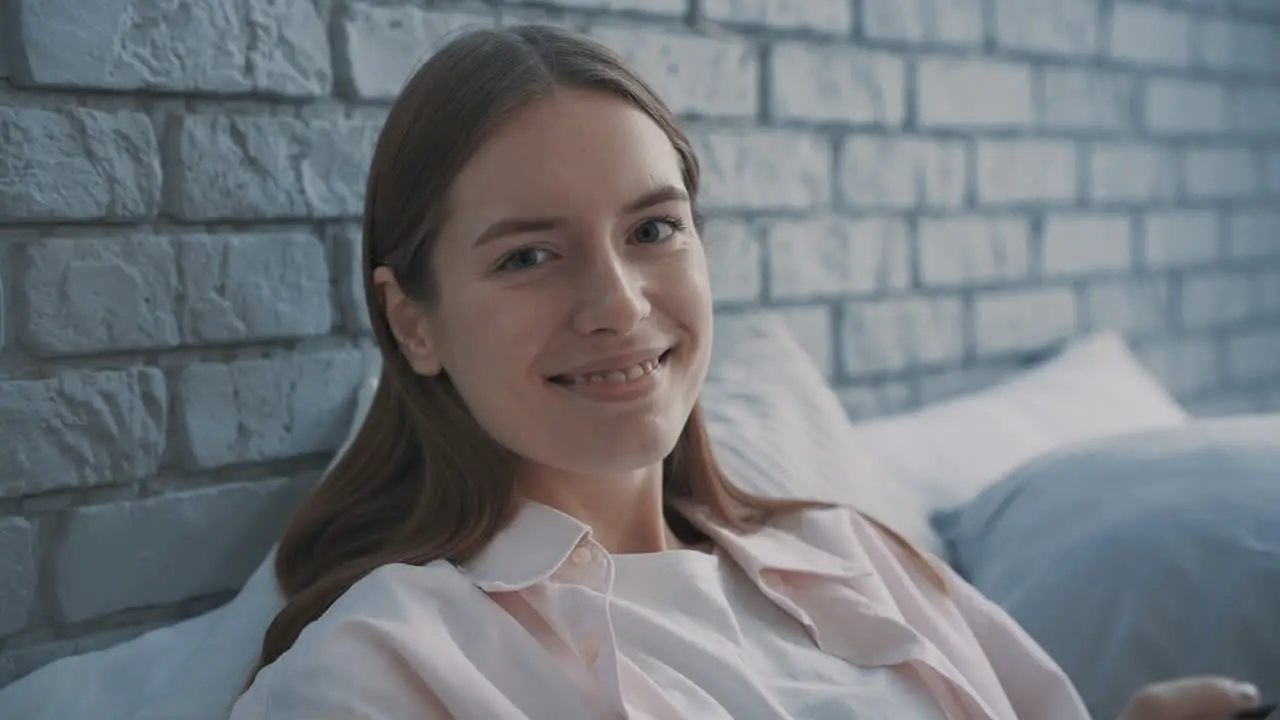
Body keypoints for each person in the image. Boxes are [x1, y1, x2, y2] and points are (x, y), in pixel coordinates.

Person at [230, 25, 1263, 720]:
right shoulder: (385, 665)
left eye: (652, 228)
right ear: (413, 324)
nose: (618, 304)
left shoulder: (856, 557)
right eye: (527, 256)